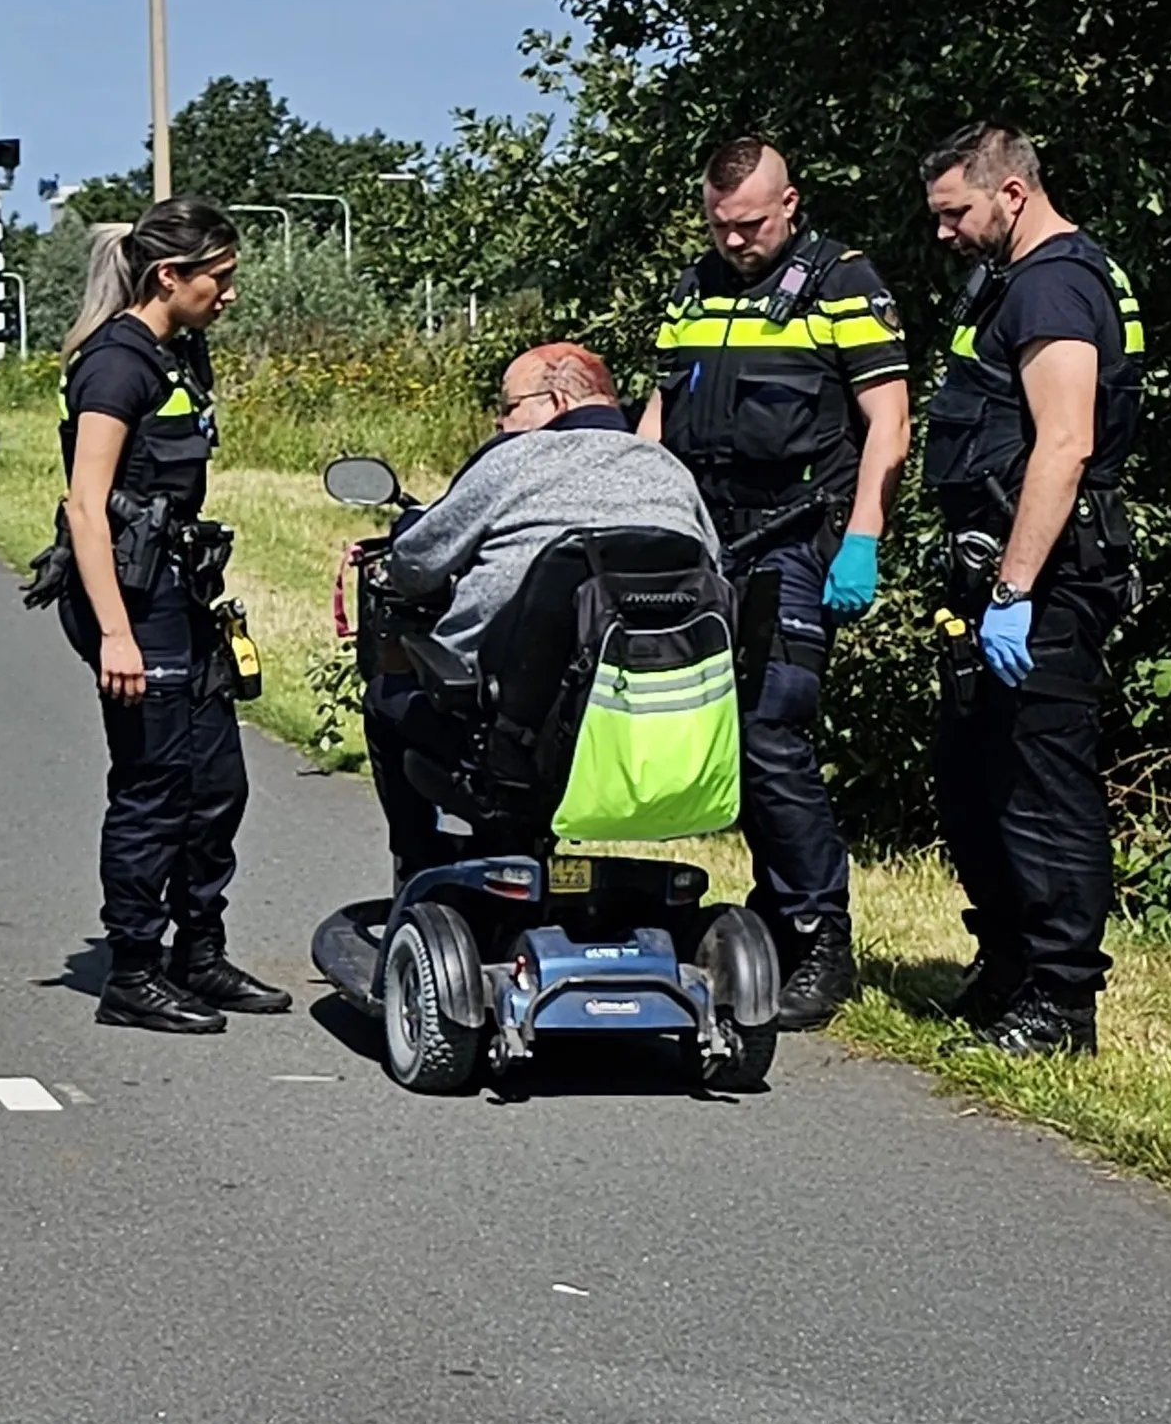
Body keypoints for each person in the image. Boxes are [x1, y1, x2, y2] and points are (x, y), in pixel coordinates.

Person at [640, 138, 914, 1028]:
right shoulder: (694, 288)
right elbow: (660, 415)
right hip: (703, 537)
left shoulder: (841, 284)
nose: (735, 240)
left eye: (751, 224)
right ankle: (771, 909)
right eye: (721, 226)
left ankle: (818, 932)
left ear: (790, 203)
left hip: (797, 537)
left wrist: (862, 539)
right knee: (708, 726)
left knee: (771, 729)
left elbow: (889, 422)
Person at [920, 124, 1144, 1058]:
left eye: (955, 213)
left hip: (1045, 582)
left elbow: (1064, 443)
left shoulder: (1054, 284)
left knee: (1041, 791)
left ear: (1010, 195)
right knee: (976, 779)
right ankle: (1011, 968)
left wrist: (1014, 588)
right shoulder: (1019, 282)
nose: (943, 235)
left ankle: (1061, 1004)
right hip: (1005, 577)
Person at [53, 199, 286, 1033]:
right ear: (168, 277)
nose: (228, 293)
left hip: (180, 592)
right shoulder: (117, 366)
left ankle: (200, 953)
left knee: (216, 779)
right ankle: (134, 971)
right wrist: (116, 632)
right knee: (154, 786)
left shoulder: (178, 355)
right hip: (131, 601)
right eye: (217, 279)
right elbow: (87, 507)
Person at [367, 345, 719, 880]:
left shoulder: (513, 460)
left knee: (385, 699)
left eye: (508, 408)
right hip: (650, 741)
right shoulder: (669, 472)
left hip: (517, 741)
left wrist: (409, 527)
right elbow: (713, 568)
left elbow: (415, 565)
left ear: (553, 402)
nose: (500, 423)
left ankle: (419, 868)